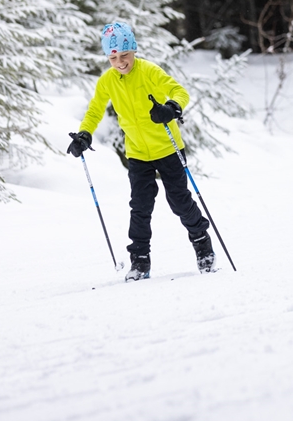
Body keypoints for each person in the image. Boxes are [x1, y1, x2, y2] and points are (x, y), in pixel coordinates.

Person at [67, 22, 214, 281]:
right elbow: (95, 110)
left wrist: (171, 108)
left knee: (179, 201)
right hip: (137, 153)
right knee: (140, 206)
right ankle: (140, 261)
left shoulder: (149, 71)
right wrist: (85, 134)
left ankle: (201, 242)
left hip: (168, 148)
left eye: (124, 55)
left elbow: (180, 92)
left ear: (133, 50)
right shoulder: (107, 81)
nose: (120, 62)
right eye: (113, 57)